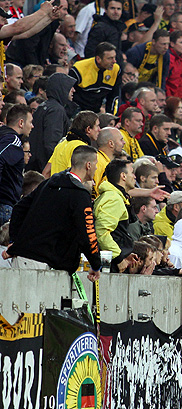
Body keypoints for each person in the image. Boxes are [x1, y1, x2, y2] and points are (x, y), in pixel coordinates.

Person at [7, 145, 101, 281]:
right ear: (88, 165)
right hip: (44, 266)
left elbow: (19, 208)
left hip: (22, 258)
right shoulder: (80, 194)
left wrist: (15, 241)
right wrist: (96, 264)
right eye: (96, 164)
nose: (97, 168)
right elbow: (88, 233)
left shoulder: (48, 183)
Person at [27, 73, 75, 173]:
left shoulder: (44, 106)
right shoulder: (56, 110)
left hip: (35, 165)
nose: (73, 90)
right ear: (61, 88)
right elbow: (52, 144)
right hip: (44, 168)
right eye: (70, 87)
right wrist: (54, 171)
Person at [70, 42, 120, 113]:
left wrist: (111, 116)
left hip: (96, 110)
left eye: (114, 57)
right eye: (110, 58)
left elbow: (114, 97)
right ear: (98, 59)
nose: (114, 61)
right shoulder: (79, 69)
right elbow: (68, 93)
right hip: (77, 109)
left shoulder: (116, 70)